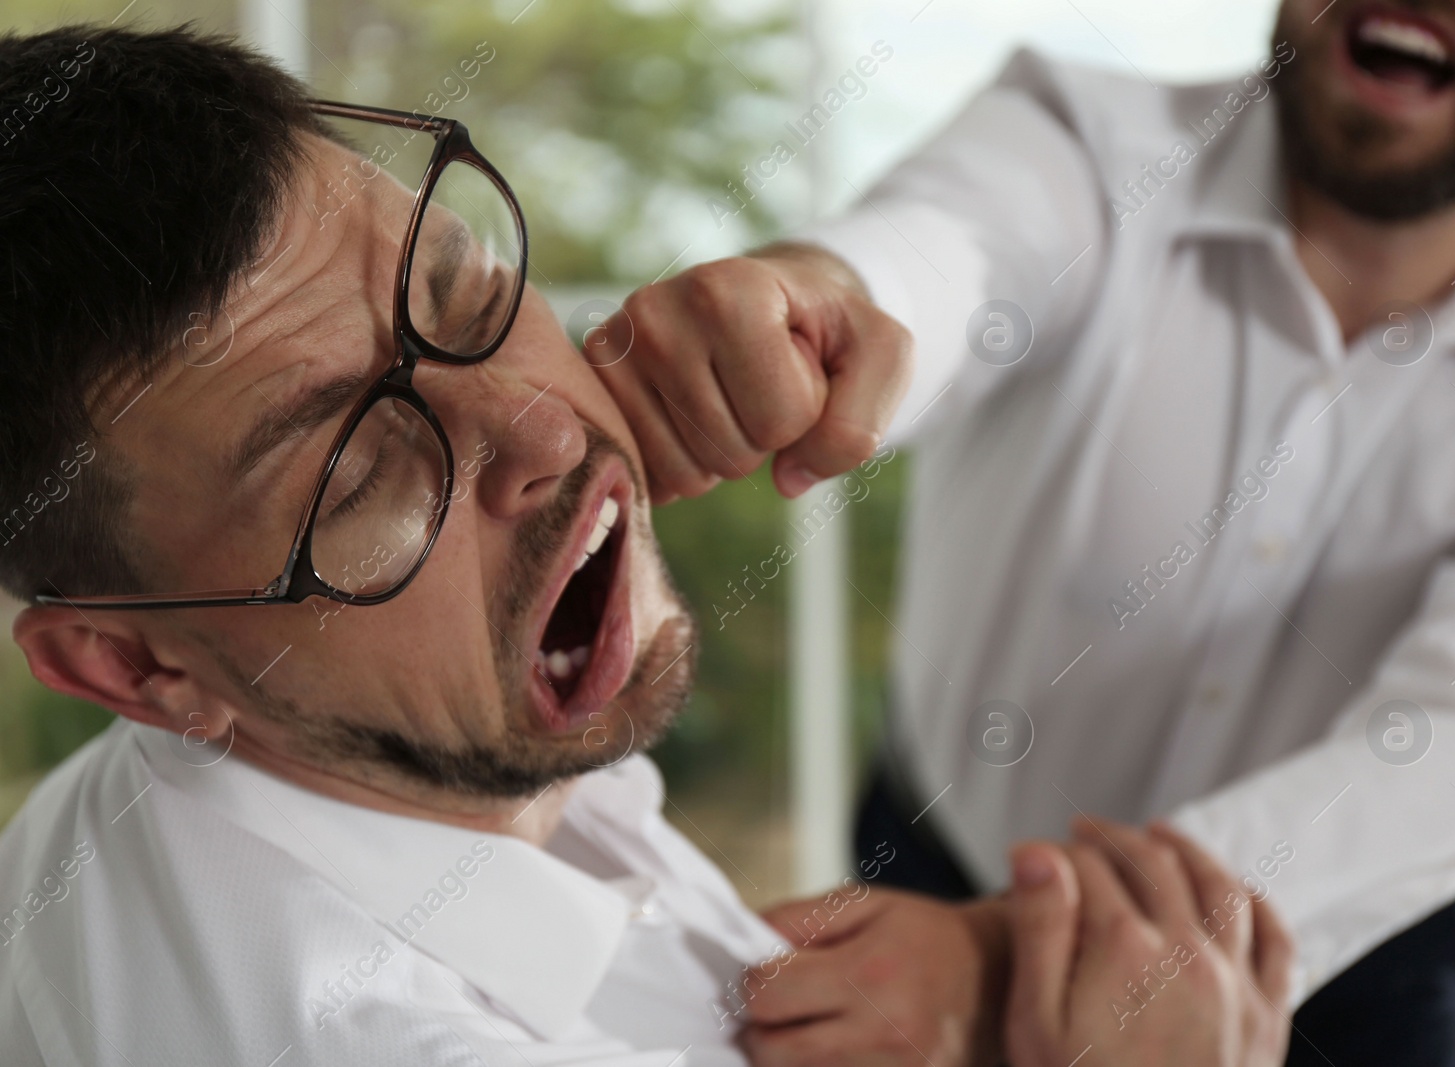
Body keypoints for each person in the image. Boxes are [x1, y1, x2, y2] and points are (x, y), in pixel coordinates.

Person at [0, 24, 1291, 1067]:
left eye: (466, 296)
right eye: (358, 470)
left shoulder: (286, 766)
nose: (541, 430)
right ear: (128, 664)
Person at [596, 0, 1455, 1062]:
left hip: (1343, 952)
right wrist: (818, 304)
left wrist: (1009, 961)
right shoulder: (1079, 134)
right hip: (937, 851)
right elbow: (949, 250)